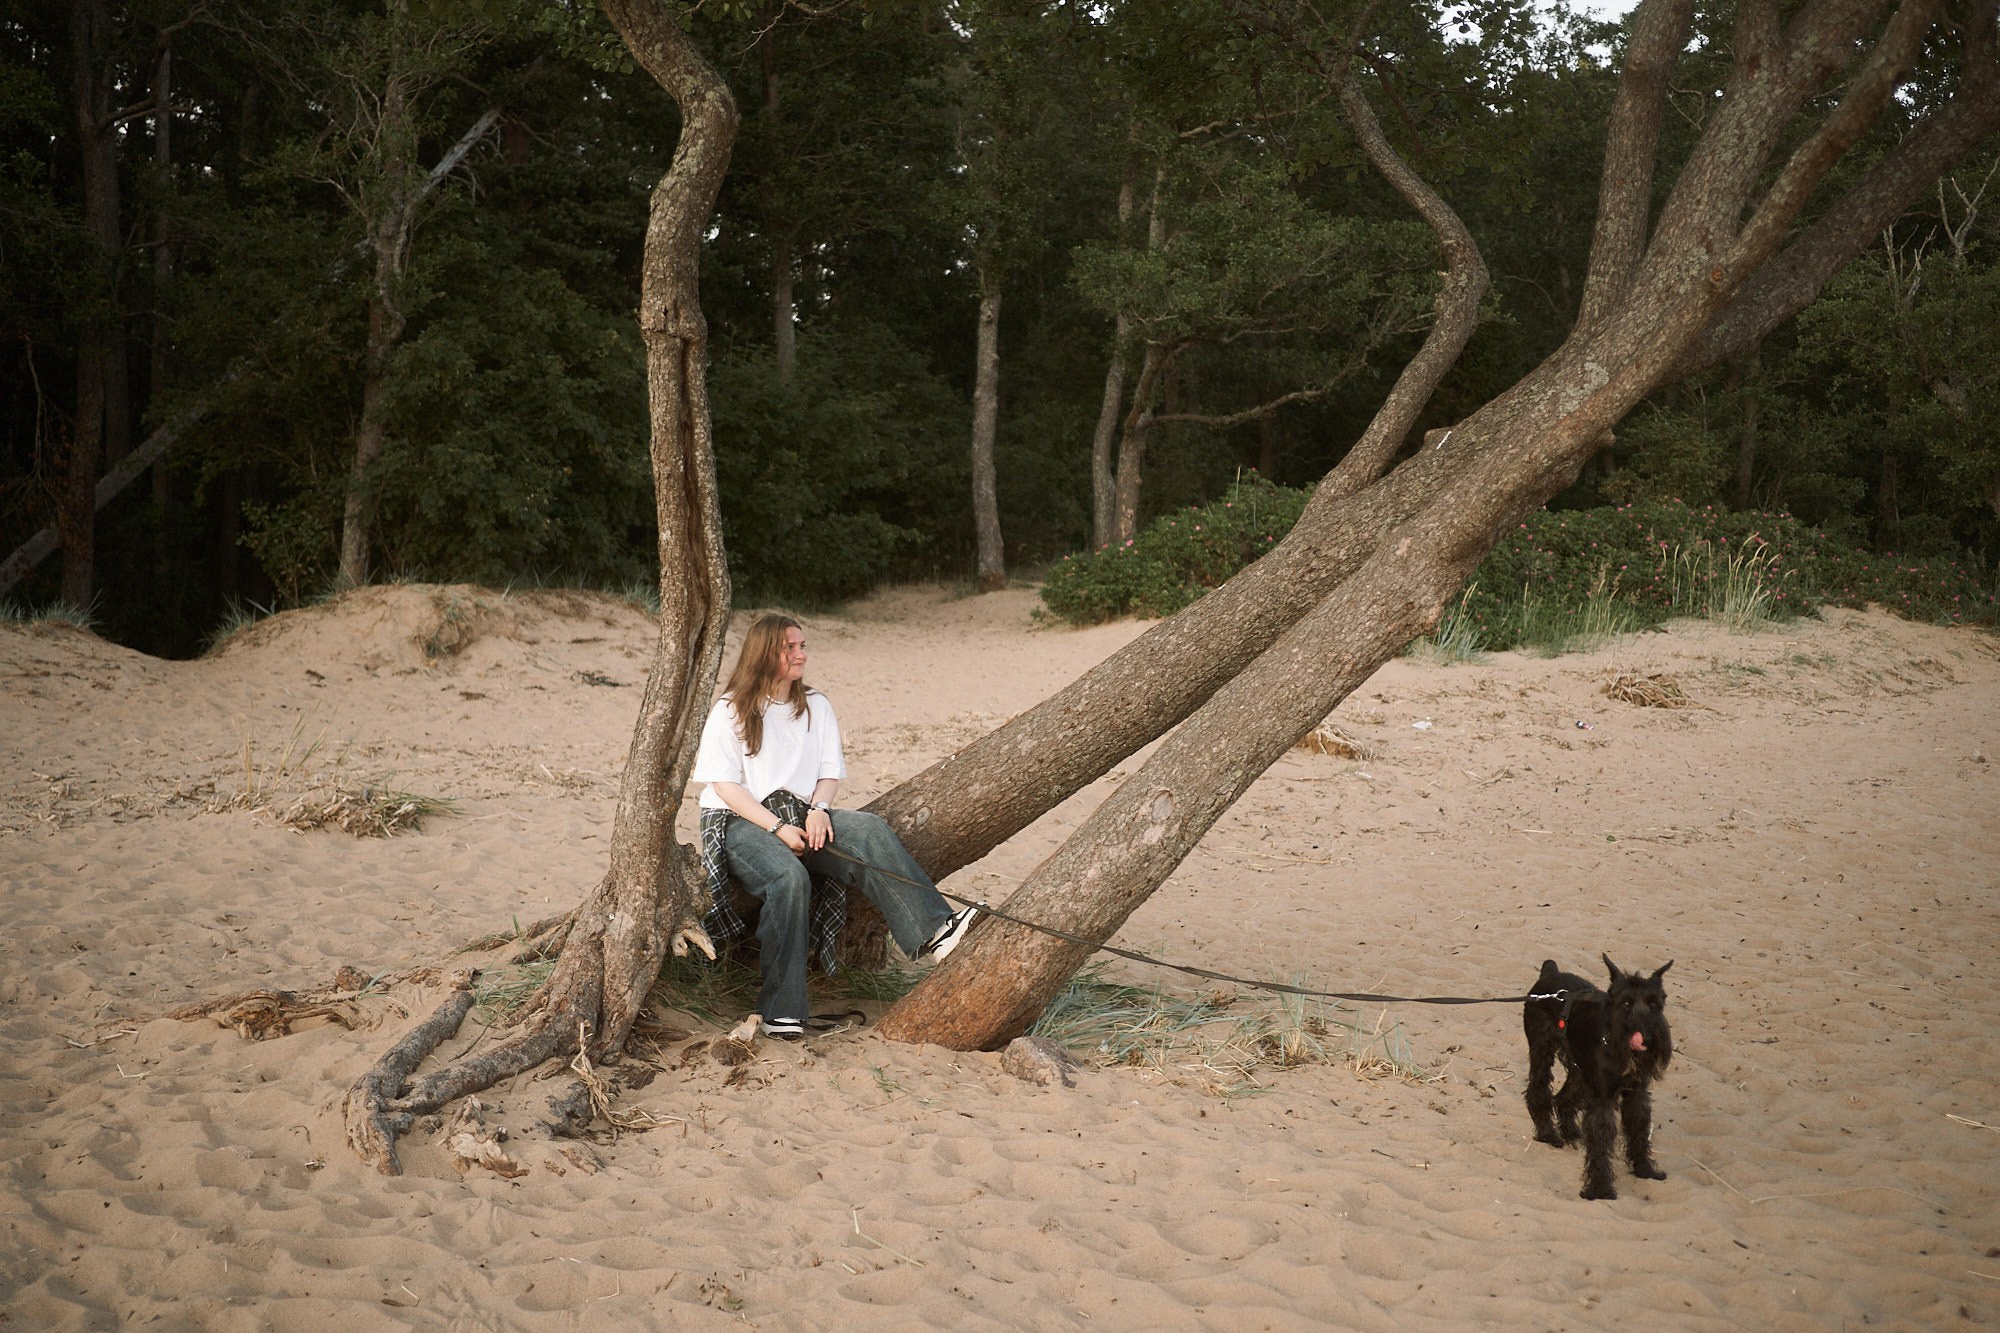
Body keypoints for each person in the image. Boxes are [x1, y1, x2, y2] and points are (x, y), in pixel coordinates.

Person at [691, 613, 978, 1037]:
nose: (801, 654)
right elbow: (726, 787)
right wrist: (777, 828)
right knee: (788, 878)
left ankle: (936, 931)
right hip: (739, 821)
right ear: (764, 653)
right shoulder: (731, 709)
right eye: (790, 648)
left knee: (868, 830)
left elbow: (829, 773)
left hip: (802, 812)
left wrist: (820, 809)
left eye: (802, 646)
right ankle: (781, 1011)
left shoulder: (816, 706)